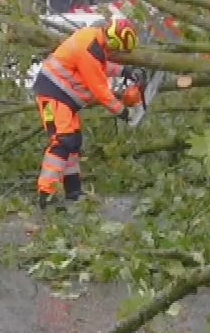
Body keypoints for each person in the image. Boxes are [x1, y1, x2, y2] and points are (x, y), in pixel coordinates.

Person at [31, 16, 141, 207]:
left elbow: (101, 65)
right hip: (52, 96)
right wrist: (123, 112)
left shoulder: (94, 41)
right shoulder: (89, 49)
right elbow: (101, 91)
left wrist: (124, 71)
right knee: (62, 141)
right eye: (116, 49)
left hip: (62, 98)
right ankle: (46, 193)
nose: (114, 53)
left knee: (73, 141)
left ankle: (73, 190)